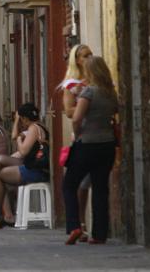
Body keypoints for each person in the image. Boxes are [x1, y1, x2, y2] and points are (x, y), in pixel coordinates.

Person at [64, 56, 119, 246]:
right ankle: (99, 234)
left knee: (69, 184)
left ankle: (74, 225)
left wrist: (78, 133)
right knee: (100, 188)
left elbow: (76, 118)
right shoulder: (111, 93)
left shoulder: (89, 92)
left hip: (87, 144)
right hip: (107, 145)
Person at [0, 103, 49, 229]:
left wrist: (19, 139)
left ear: (25, 118)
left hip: (35, 170)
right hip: (33, 166)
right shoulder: (40, 126)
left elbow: (23, 151)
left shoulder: (33, 128)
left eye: (20, 119)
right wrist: (17, 123)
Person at [60, 45, 94, 234]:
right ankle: (80, 222)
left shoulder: (97, 80)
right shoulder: (72, 85)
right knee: (81, 182)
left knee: (90, 181)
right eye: (85, 56)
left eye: (90, 54)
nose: (89, 58)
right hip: (81, 135)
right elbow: (68, 111)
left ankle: (86, 225)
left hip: (98, 134)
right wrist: (87, 106)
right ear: (77, 60)